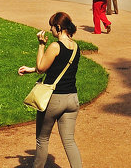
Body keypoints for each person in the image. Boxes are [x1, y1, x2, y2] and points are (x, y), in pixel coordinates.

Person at [18, 12, 82, 168]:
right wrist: (30, 69)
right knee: (69, 141)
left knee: (42, 139)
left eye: (52, 27)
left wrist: (41, 45)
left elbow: (42, 67)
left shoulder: (55, 46)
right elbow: (56, 67)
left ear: (58, 27)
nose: (50, 30)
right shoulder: (75, 47)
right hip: (72, 99)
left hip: (54, 99)